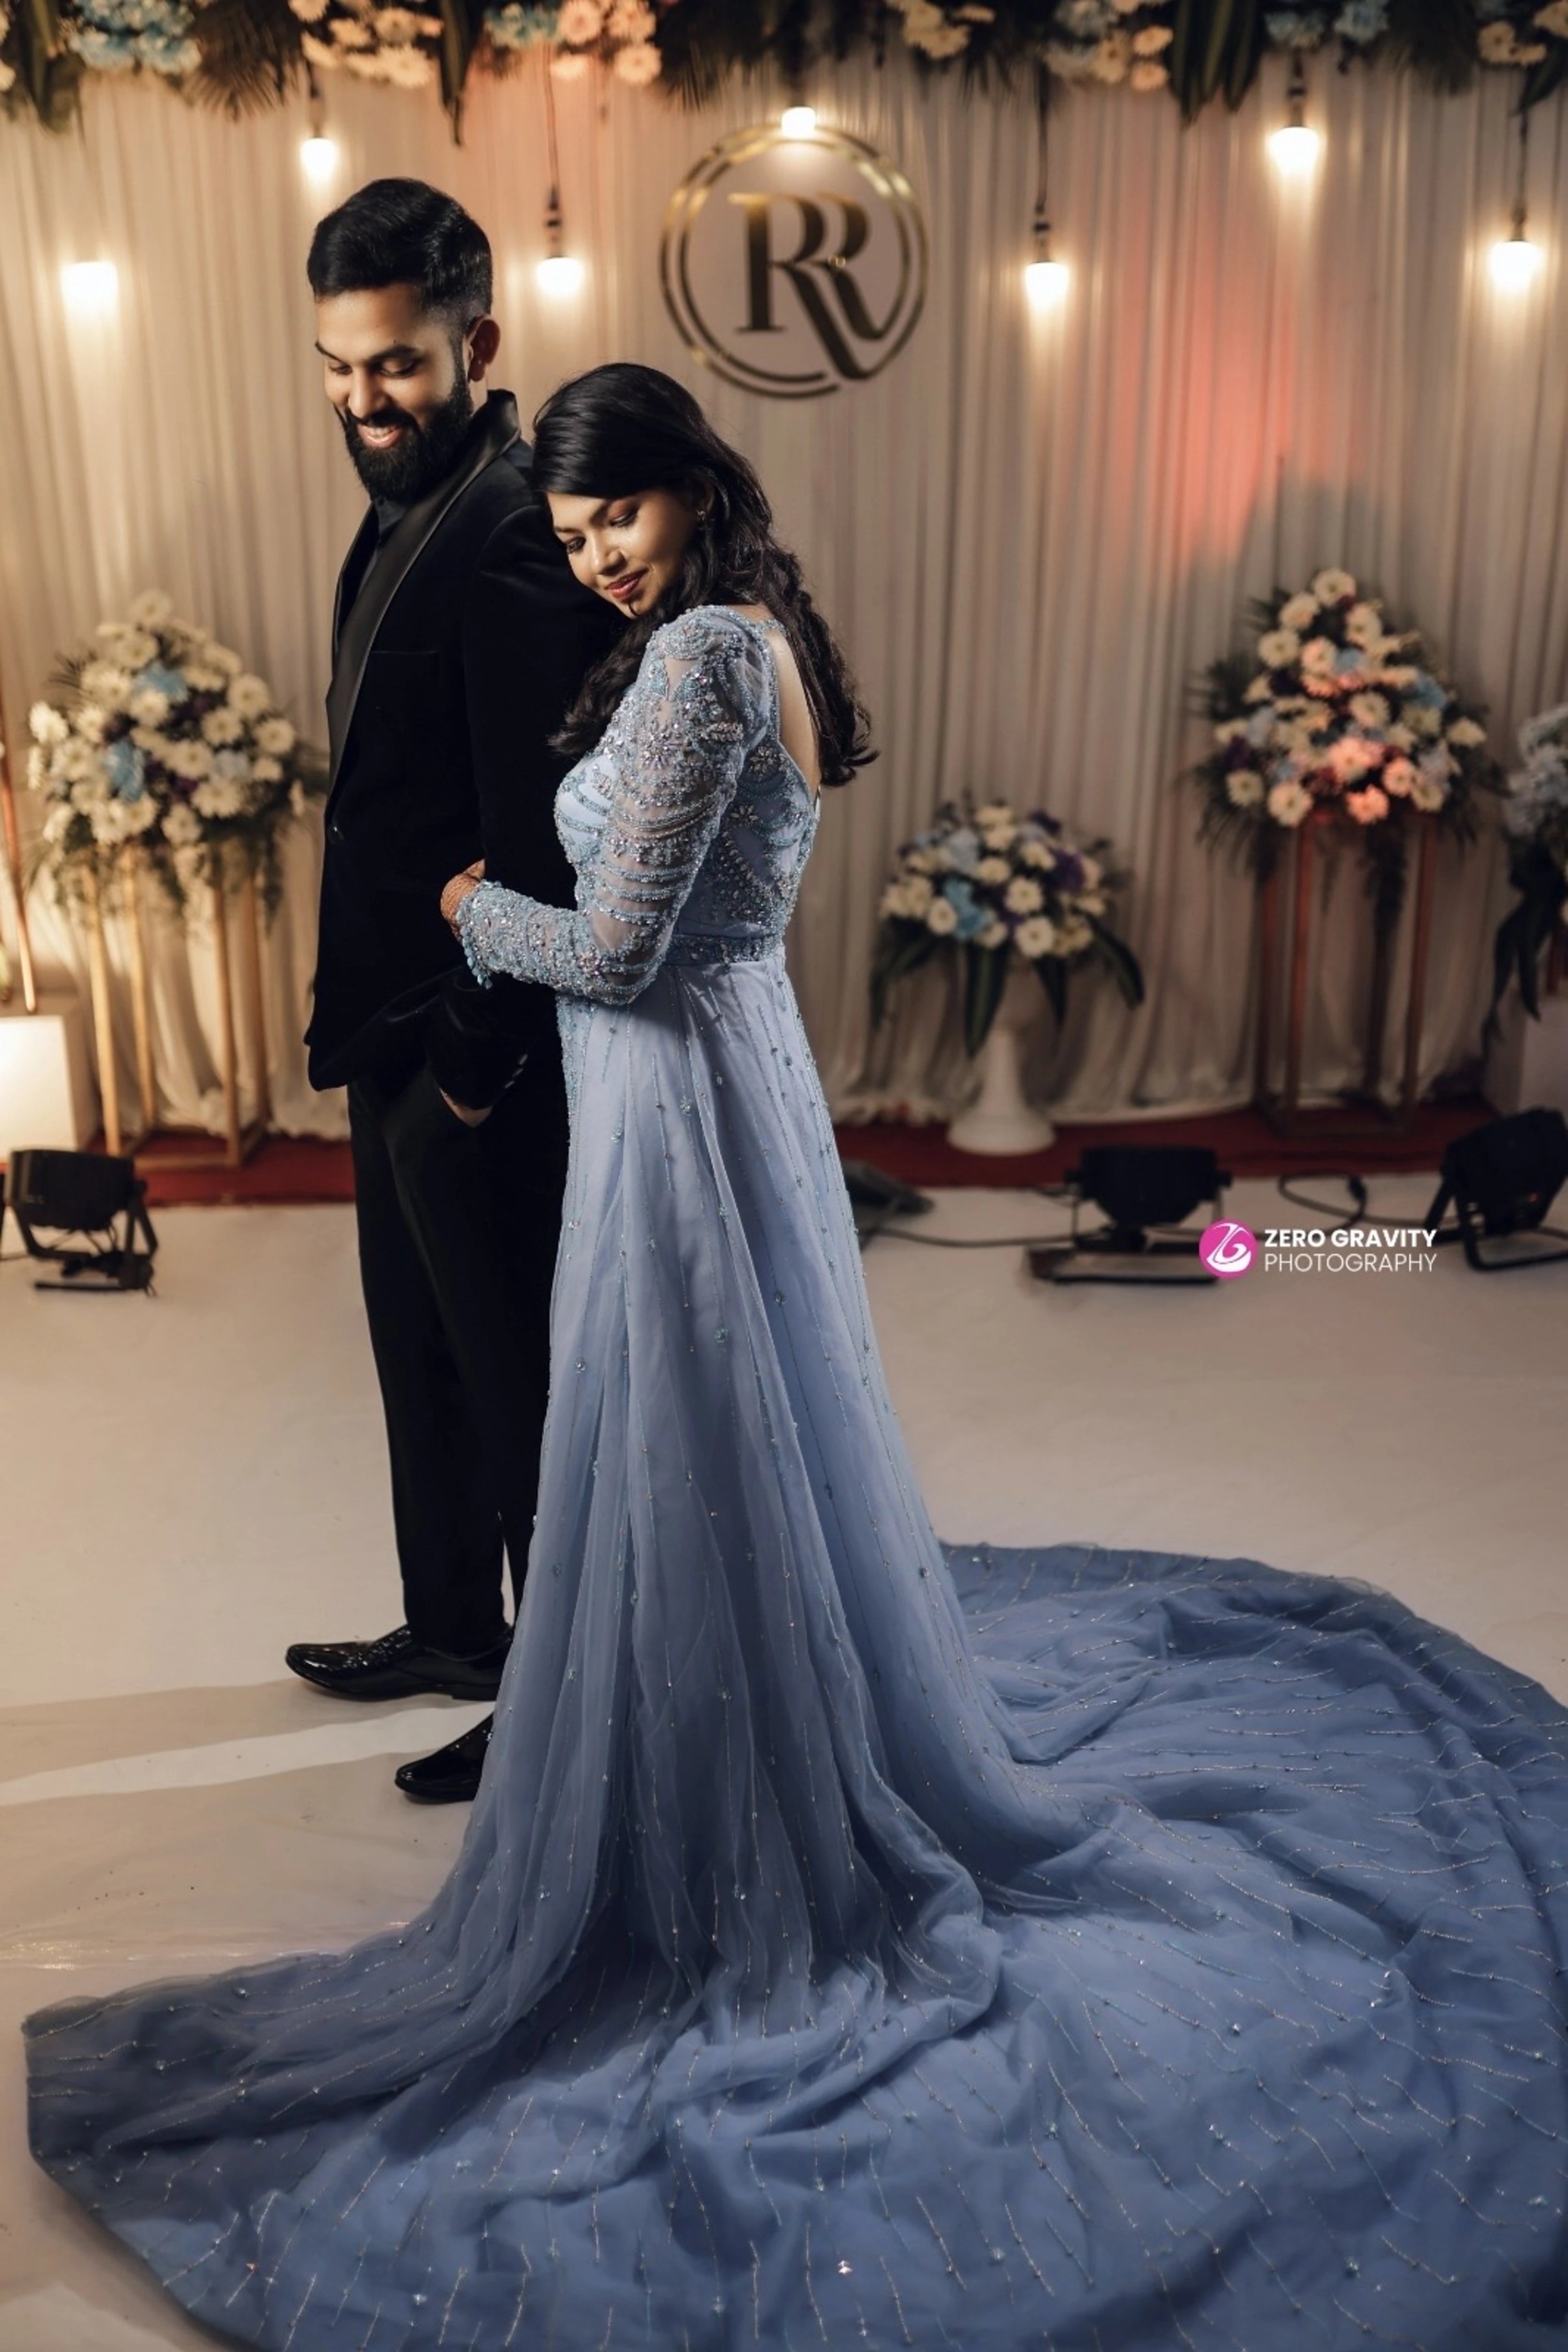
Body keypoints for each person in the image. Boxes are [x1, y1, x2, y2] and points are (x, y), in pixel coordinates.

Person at [24, 366, 1568, 2351]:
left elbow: (621, 948)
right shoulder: (745, 626)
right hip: (725, 1082)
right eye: (571, 538)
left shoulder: (698, 669)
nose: (593, 559)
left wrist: (477, 904)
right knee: (710, 1450)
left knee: (684, 1436)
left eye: (617, 524)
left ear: (688, 484)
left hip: (675, 1092)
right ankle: (707, 1723)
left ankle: (717, 1818)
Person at [287, 180, 618, 1803]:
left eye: (396, 366)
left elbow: (543, 841)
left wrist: (479, 1068)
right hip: (386, 1015)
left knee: (519, 1382)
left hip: (476, 1040)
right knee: (414, 1352)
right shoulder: (413, 494)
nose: (363, 399)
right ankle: (450, 1629)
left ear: (476, 342)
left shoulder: (512, 530)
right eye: (341, 367)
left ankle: (556, 1688)